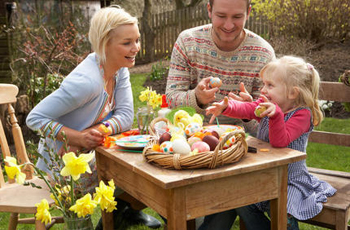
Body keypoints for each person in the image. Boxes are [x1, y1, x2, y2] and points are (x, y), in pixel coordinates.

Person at [26, 5, 161, 229]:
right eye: (127, 42)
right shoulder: (86, 82)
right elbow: (35, 118)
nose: (136, 48)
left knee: (142, 166)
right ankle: (118, 214)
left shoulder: (120, 68)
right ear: (104, 43)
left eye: (137, 40)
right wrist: (77, 138)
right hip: (61, 166)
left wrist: (97, 129)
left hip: (89, 155)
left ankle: (123, 213)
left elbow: (126, 116)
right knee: (135, 172)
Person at [205, 56, 337, 230]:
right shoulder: (268, 104)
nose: (263, 90)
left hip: (289, 179)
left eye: (270, 85)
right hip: (264, 172)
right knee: (241, 199)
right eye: (264, 84)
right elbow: (248, 108)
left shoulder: (302, 115)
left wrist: (275, 116)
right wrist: (227, 107)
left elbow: (280, 141)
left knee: (285, 206)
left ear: (292, 93)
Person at [165, 0, 276, 136]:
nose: (228, 25)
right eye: (221, 16)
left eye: (237, 17)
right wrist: (197, 98)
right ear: (209, 10)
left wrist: (247, 112)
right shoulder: (187, 42)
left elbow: (267, 128)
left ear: (248, 13)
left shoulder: (264, 54)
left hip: (241, 144)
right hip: (191, 139)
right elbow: (171, 100)